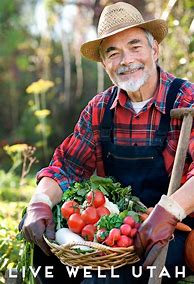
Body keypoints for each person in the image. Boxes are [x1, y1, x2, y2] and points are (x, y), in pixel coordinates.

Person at [21, 2, 194, 284]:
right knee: (44, 249)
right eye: (113, 53)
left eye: (135, 46)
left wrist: (170, 211)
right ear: (104, 64)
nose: (126, 60)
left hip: (171, 231)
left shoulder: (186, 99)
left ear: (154, 50)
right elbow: (67, 166)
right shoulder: (100, 108)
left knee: (104, 281)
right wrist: (39, 202)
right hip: (115, 231)